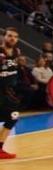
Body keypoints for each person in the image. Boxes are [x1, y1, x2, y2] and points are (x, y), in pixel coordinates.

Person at [0, 28, 22, 159]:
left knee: (13, 116)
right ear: (4, 37)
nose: (12, 38)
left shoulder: (16, 52)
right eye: (9, 36)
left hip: (8, 91)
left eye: (15, 36)